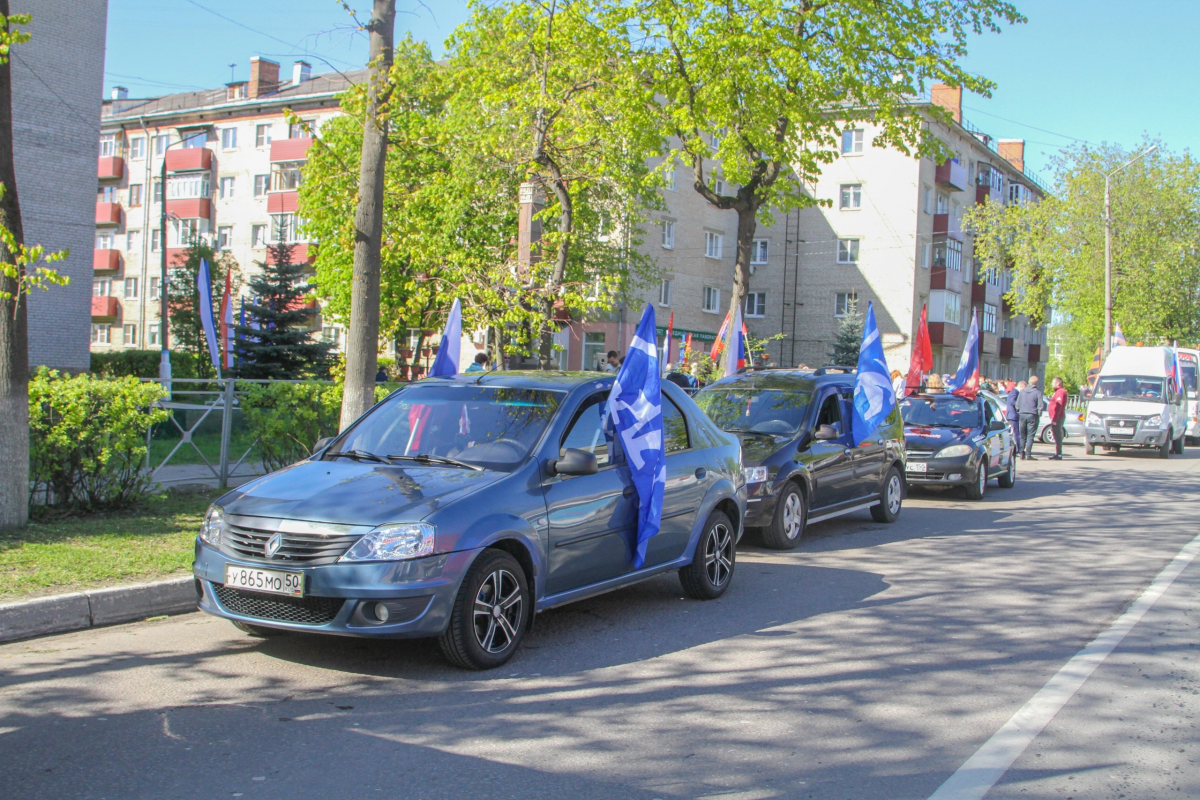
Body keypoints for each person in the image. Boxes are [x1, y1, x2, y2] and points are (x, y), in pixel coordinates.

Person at [1016, 375, 1044, 460]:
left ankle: (1021, 453)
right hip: (1032, 415)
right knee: (1030, 436)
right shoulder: (1038, 392)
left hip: (1022, 415)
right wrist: (1038, 413)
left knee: (1022, 435)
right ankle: (1028, 454)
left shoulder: (1022, 392)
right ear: (1037, 383)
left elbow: (1017, 405)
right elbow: (1040, 406)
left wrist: (1019, 411)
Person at [1046, 377, 1068, 460]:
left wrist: (1055, 419)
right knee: (1056, 435)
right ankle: (1057, 453)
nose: (1052, 384)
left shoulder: (1060, 392)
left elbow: (1059, 406)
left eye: (1053, 383)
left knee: (1058, 436)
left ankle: (1059, 454)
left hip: (1058, 417)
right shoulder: (1058, 392)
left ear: (1058, 384)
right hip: (1057, 417)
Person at [1006, 380, 1024, 456]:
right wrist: (1020, 405)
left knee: (1015, 433)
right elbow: (1012, 402)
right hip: (1013, 416)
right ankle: (1017, 450)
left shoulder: (1015, 392)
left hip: (1012, 415)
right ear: (1021, 386)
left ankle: (1017, 449)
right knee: (1016, 434)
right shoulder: (1015, 392)